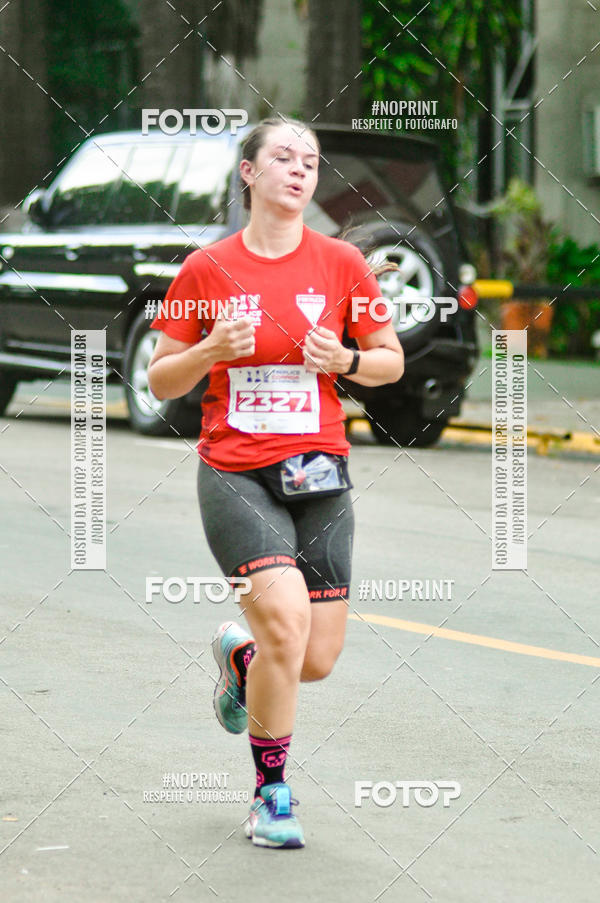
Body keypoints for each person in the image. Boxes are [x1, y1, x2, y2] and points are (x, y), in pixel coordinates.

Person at [148, 117, 404, 849]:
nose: (299, 170)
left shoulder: (342, 264)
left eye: (311, 161)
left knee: (313, 657)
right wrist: (208, 349)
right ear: (249, 174)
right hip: (235, 469)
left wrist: (345, 360)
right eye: (283, 158)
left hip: (319, 470)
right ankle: (271, 795)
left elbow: (389, 360)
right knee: (287, 622)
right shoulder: (206, 269)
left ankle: (242, 657)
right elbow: (160, 374)